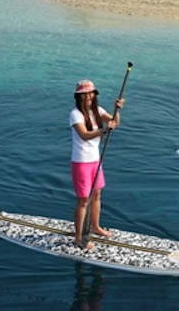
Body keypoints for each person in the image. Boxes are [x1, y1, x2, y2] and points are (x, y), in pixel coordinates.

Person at [70, 79, 123, 249]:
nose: (88, 96)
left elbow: (114, 121)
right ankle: (79, 237)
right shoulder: (75, 114)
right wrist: (104, 130)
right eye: (84, 94)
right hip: (81, 162)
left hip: (95, 161)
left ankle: (96, 227)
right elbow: (85, 135)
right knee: (83, 200)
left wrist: (117, 110)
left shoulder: (97, 111)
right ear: (78, 96)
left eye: (90, 93)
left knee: (97, 195)